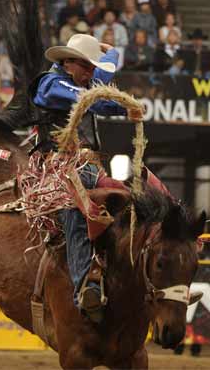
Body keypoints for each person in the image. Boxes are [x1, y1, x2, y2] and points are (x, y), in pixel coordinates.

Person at [29, 34, 139, 322]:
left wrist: (112, 52)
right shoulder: (50, 84)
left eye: (92, 68)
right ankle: (84, 289)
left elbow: (100, 89)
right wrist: (121, 101)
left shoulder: (77, 81)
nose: (91, 74)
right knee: (76, 211)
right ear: (68, 63)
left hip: (89, 167)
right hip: (58, 166)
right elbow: (97, 99)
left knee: (133, 202)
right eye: (87, 68)